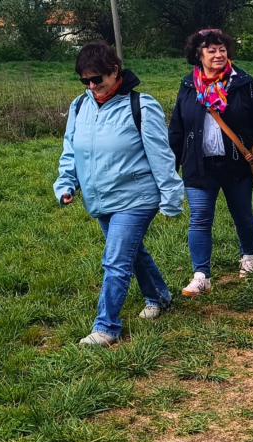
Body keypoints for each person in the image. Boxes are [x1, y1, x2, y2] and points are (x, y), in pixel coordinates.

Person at [54, 41, 184, 347]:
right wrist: (66, 183)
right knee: (131, 252)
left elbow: (161, 156)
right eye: (85, 80)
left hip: (137, 197)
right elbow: (71, 150)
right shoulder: (79, 106)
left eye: (97, 79)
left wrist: (171, 197)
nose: (91, 86)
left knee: (115, 260)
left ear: (114, 71)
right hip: (100, 198)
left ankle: (107, 327)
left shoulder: (142, 105)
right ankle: (159, 296)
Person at [168, 29, 253, 296]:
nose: (218, 54)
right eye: (211, 50)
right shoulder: (188, 86)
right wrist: (169, 171)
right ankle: (201, 275)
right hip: (199, 167)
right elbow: (176, 131)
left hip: (236, 165)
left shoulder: (242, 83)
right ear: (199, 55)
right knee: (199, 219)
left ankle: (249, 257)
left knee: (242, 214)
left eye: (222, 49)